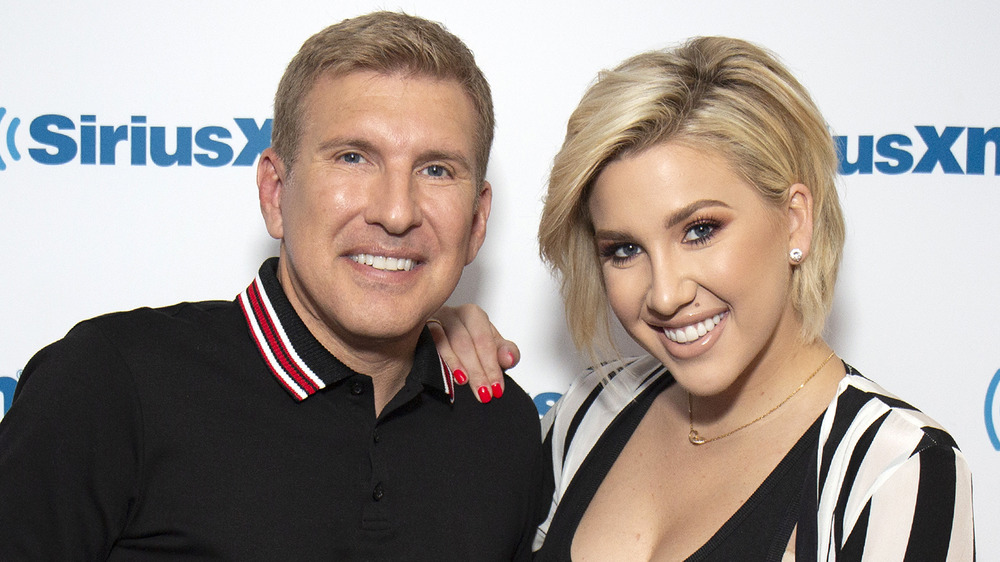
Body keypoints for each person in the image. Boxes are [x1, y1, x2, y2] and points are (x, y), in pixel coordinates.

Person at [0, 12, 546, 560]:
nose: (397, 211)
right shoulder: (111, 383)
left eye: (436, 170)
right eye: (353, 158)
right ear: (274, 192)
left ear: (477, 222)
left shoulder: (503, 427)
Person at [432, 36, 975, 560]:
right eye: (623, 250)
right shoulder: (588, 415)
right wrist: (419, 344)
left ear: (795, 221)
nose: (665, 294)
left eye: (699, 230)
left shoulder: (893, 469)